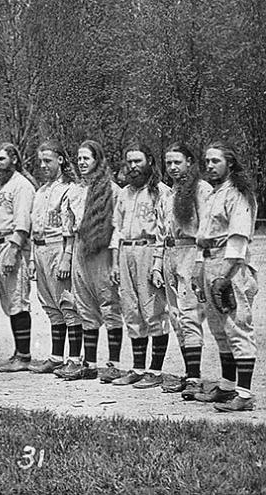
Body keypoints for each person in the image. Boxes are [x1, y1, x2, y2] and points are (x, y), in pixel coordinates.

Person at [192, 142, 258, 412]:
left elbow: (239, 239)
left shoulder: (238, 193)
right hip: (209, 260)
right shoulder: (212, 193)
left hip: (230, 265)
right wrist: (199, 271)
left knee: (237, 326)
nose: (209, 166)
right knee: (219, 330)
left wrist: (225, 275)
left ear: (230, 163)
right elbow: (203, 238)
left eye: (216, 161)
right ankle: (227, 387)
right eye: (207, 161)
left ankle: (244, 394)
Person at [57, 140, 124, 381]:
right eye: (79, 158)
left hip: (102, 249)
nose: (82, 162)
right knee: (84, 305)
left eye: (87, 158)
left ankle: (114, 363)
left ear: (98, 160)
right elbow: (68, 227)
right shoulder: (74, 190)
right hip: (80, 249)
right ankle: (90, 363)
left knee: (109, 304)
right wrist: (67, 256)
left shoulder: (112, 190)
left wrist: (115, 260)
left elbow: (118, 227)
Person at [109, 142, 171, 389]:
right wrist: (114, 263)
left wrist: (157, 263)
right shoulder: (124, 193)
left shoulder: (160, 192)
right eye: (130, 162)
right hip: (126, 251)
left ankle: (155, 370)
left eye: (138, 161)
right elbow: (116, 230)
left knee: (153, 310)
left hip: (148, 249)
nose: (133, 167)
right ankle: (137, 368)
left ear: (150, 162)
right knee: (131, 310)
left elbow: (164, 231)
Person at [158, 143, 212, 399]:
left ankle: (195, 377)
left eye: (177, 162)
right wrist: (158, 264)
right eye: (168, 163)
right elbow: (161, 230)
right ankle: (189, 373)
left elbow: (207, 230)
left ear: (190, 162)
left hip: (190, 253)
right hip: (171, 253)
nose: (172, 167)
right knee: (176, 316)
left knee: (190, 314)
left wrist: (201, 261)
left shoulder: (201, 190)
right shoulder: (168, 193)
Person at [27, 141, 84, 375]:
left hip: (58, 248)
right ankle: (56, 356)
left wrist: (67, 257)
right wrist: (32, 258)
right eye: (41, 161)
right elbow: (34, 228)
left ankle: (74, 359)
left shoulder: (69, 189)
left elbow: (70, 228)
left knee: (67, 304)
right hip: (40, 250)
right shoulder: (41, 191)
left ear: (60, 160)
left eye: (48, 161)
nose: (43, 165)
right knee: (50, 306)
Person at [0, 143, 36, 373]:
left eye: (2, 159)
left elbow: (22, 222)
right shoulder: (3, 186)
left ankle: (24, 356)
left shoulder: (21, 185)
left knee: (18, 302)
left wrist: (13, 251)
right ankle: (18, 352)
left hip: (12, 246)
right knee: (10, 303)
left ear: (14, 159)